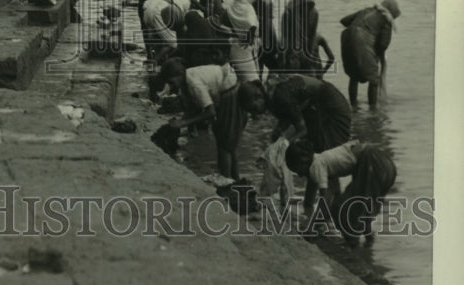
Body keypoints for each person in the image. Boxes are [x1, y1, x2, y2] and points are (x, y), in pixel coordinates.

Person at [155, 56, 267, 178]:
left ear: (180, 74)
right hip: (231, 87)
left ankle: (226, 180)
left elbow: (210, 112)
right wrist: (190, 126)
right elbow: (192, 106)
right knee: (230, 145)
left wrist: (183, 123)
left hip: (229, 94)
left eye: (172, 82)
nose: (172, 86)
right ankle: (234, 179)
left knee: (224, 146)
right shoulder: (188, 76)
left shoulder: (194, 84)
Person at [285, 138, 397, 245]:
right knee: (363, 206)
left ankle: (352, 244)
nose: (300, 175)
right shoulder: (325, 158)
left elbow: (325, 202)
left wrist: (311, 228)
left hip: (371, 160)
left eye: (297, 170)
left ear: (303, 160)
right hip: (383, 162)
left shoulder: (316, 166)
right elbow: (331, 195)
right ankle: (368, 242)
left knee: (342, 208)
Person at [270, 74, 352, 207]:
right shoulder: (282, 94)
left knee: (325, 160)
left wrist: (285, 142)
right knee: (315, 159)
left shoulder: (282, 96)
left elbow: (301, 128)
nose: (300, 176)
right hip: (319, 107)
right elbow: (295, 112)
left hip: (330, 110)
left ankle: (335, 206)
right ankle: (310, 206)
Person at [340, 0, 401, 109]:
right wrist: (378, 57)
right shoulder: (386, 19)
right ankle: (373, 109)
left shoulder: (366, 10)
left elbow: (344, 21)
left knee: (354, 77)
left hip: (346, 40)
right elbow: (383, 45)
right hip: (361, 40)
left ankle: (353, 106)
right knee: (374, 79)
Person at [221, 0, 262, 83]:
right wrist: (249, 38)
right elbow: (251, 24)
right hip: (246, 47)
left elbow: (221, 24)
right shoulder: (248, 8)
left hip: (233, 46)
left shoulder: (230, 8)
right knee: (251, 76)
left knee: (238, 76)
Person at [141, 0, 193, 65]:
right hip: (158, 11)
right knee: (171, 44)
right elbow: (180, 28)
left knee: (157, 38)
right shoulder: (179, 7)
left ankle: (155, 58)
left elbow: (145, 4)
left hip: (147, 10)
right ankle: (155, 61)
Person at [280, 0, 320, 72]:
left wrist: (310, 54)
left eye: (309, 4)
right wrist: (283, 55)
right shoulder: (288, 13)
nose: (306, 7)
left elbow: (312, 35)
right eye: (304, 4)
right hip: (292, 48)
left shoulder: (314, 14)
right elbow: (285, 36)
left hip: (307, 47)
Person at [251, 0, 280, 80]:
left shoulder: (250, 3)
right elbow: (269, 25)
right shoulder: (268, 3)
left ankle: (259, 90)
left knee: (258, 67)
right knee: (274, 67)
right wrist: (276, 43)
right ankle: (268, 87)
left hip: (255, 38)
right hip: (267, 38)